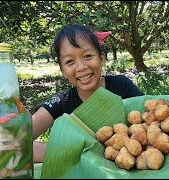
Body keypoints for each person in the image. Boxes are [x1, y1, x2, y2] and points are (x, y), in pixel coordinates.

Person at [32, 24, 144, 162]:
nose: (81, 67)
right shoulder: (62, 102)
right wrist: (73, 151)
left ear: (102, 58)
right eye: (70, 61)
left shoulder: (122, 85)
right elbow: (16, 141)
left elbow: (150, 120)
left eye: (88, 56)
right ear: (63, 70)